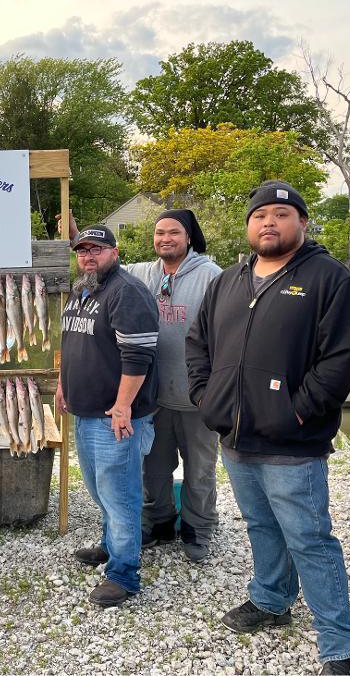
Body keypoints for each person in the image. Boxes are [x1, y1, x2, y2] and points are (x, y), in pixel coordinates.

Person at [186, 181, 350, 675]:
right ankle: (270, 601)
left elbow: (347, 353)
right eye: (259, 215)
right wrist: (206, 396)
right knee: (261, 525)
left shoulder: (329, 278)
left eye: (280, 214)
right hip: (235, 435)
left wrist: (298, 409)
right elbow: (197, 342)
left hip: (294, 441)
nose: (268, 222)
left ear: (302, 224)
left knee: (309, 537)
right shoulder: (227, 281)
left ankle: (340, 641)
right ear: (249, 227)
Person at [56, 224, 158, 607]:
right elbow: (72, 342)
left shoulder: (127, 292)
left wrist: (123, 405)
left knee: (121, 496)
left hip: (116, 416)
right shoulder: (83, 289)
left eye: (96, 249)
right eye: (82, 250)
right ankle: (109, 545)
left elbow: (139, 356)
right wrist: (65, 385)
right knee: (100, 490)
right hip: (86, 412)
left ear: (115, 252)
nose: (88, 256)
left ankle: (123, 574)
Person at [122, 208, 222, 560]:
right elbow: (101, 263)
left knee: (199, 471)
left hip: (197, 397)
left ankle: (199, 528)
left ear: (189, 237)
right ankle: (160, 521)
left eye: (174, 233)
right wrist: (74, 234)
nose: (165, 238)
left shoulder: (212, 276)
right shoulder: (143, 273)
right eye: (159, 232)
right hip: (154, 396)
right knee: (154, 467)